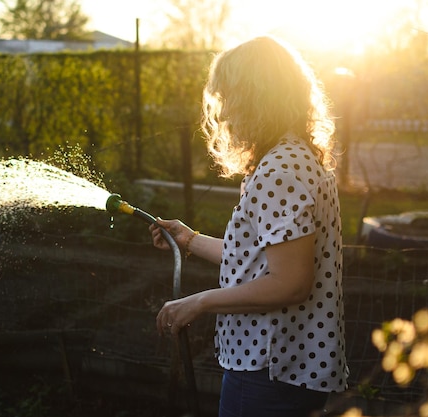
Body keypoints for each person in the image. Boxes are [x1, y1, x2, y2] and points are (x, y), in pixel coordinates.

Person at [149, 35, 349, 417]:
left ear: (256, 99)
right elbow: (263, 259)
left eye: (228, 99)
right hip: (293, 366)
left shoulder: (279, 171)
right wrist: (188, 239)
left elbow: (290, 282)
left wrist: (200, 301)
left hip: (269, 369)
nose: (222, 115)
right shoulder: (295, 157)